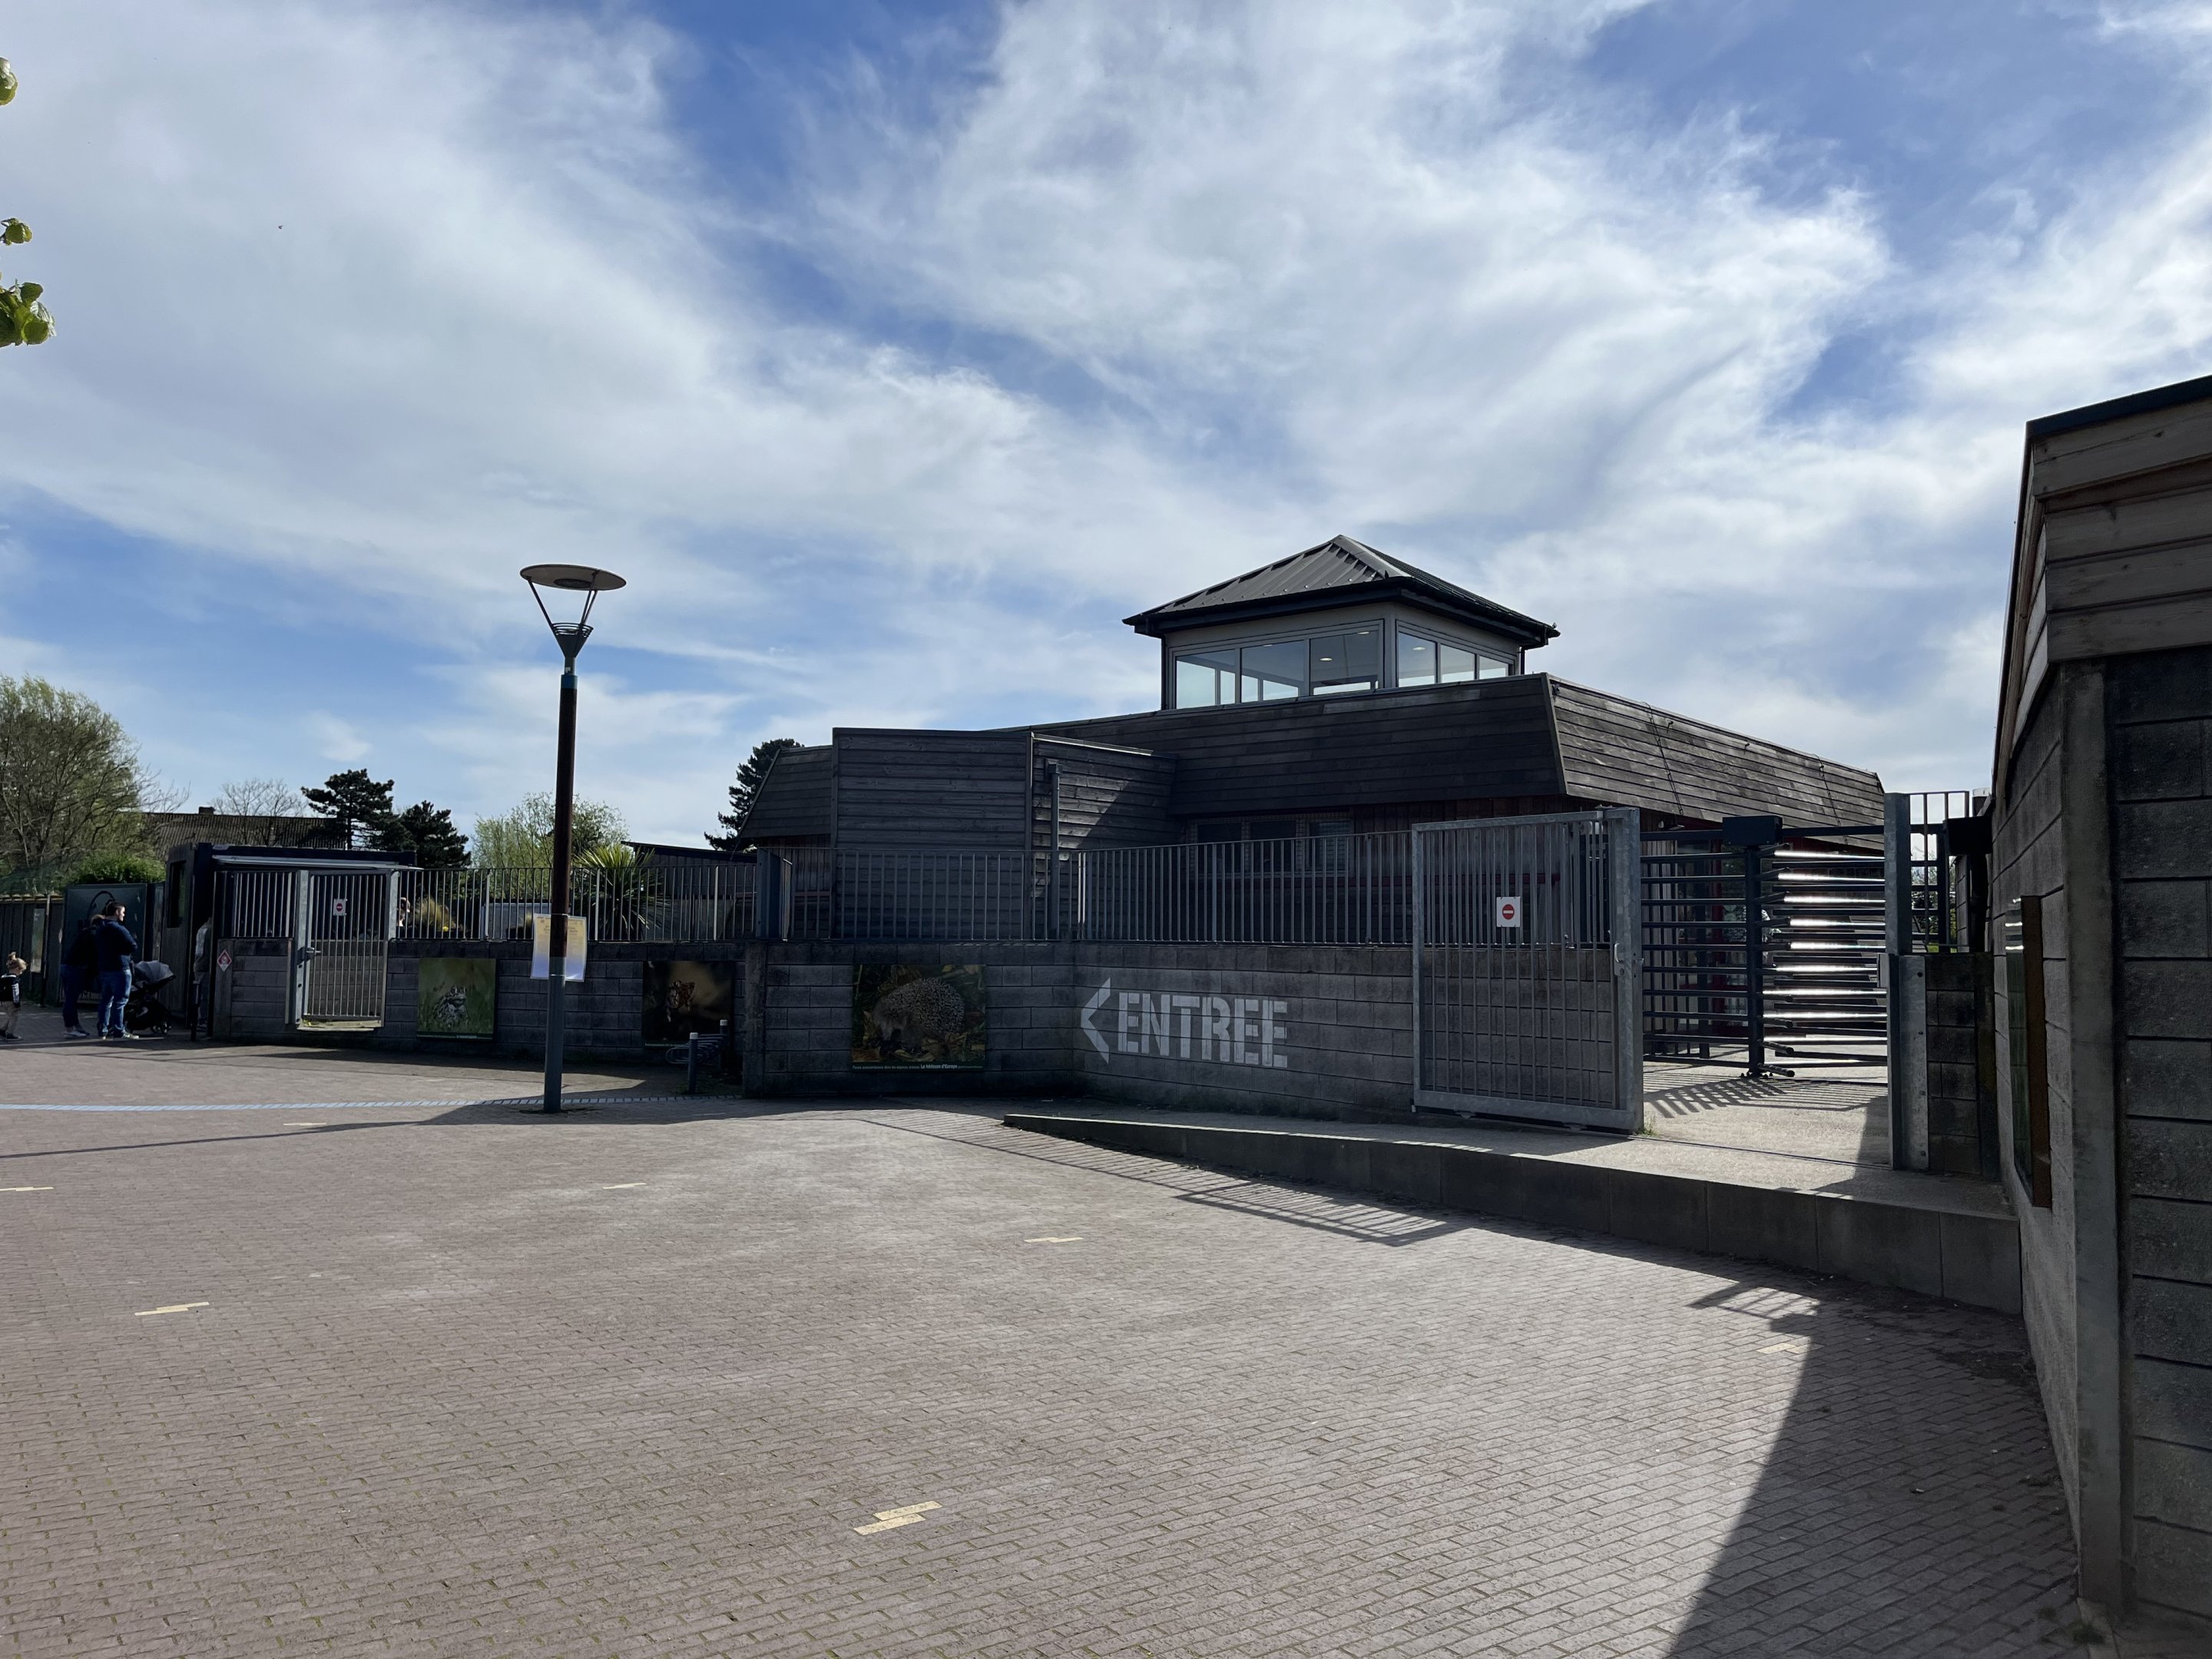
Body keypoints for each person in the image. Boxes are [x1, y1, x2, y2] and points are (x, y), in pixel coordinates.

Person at [91, 901, 139, 1041]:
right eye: (123, 912)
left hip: (105, 968)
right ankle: (119, 1030)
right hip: (120, 967)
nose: (124, 915)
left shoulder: (100, 929)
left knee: (106, 1001)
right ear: (117, 912)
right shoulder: (118, 929)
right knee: (121, 1001)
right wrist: (122, 952)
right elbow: (133, 945)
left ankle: (103, 1030)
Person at [58, 915, 99, 1039]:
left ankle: (75, 1026)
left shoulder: (84, 933)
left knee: (70, 999)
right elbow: (93, 956)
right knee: (71, 1000)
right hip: (77, 969)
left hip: (67, 966)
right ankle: (70, 1028)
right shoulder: (93, 935)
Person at [0, 951, 22, 1041]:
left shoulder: (3, 977)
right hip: (11, 1001)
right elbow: (15, 991)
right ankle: (10, 1033)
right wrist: (17, 1002)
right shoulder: (14, 980)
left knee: (8, 1016)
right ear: (17, 968)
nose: (21, 973)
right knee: (14, 1016)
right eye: (21, 970)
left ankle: (2, 1030)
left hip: (2, 1001)